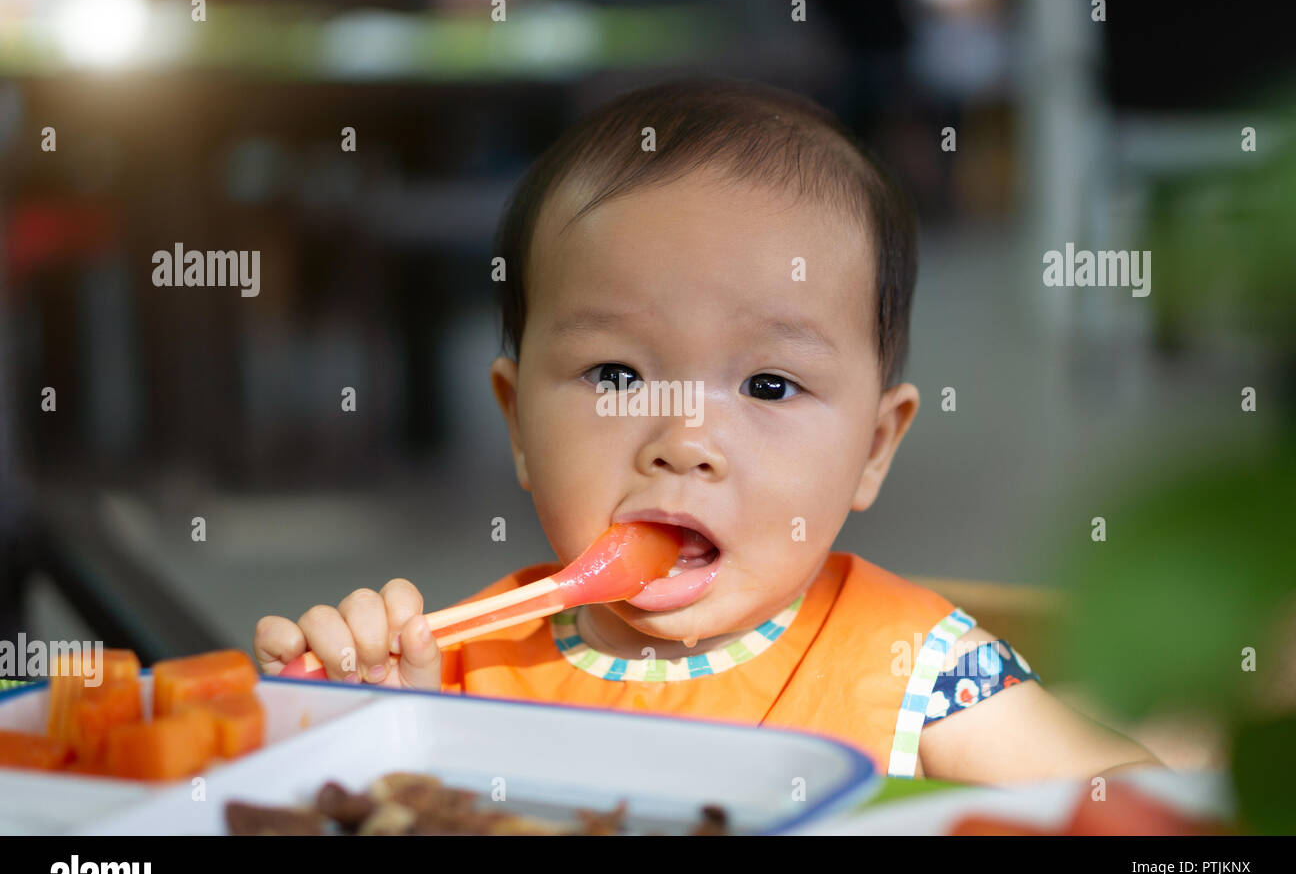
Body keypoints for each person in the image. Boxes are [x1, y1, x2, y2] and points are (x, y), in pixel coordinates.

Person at [255, 78, 1160, 782]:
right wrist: (368, 737)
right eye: (615, 375)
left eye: (768, 384)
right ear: (517, 423)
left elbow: (1140, 815)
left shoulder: (917, 671)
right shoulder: (459, 671)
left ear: (874, 449)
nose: (684, 440)